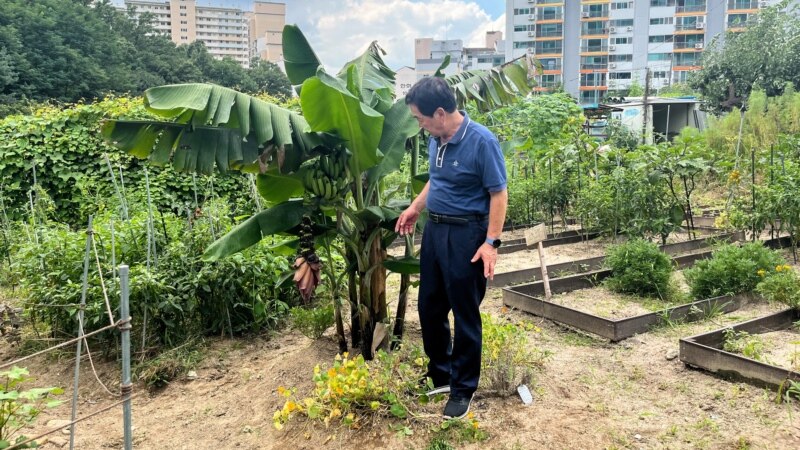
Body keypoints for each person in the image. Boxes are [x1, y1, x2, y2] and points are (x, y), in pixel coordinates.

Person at [395, 77, 508, 420]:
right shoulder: (437, 139)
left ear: (440, 113)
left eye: (420, 118)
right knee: (429, 306)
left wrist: (491, 243)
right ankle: (441, 374)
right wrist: (416, 207)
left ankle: (463, 388)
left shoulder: (482, 142)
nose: (419, 125)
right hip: (435, 231)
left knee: (464, 312)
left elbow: (498, 193)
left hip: (467, 235)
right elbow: (437, 179)